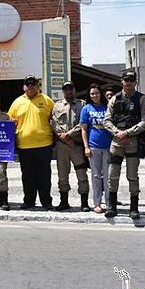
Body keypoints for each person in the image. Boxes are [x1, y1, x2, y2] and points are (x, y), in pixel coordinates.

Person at [103, 70, 145, 219]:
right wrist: (117, 132)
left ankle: (134, 207)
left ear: (135, 82)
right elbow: (107, 120)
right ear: (121, 81)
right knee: (112, 175)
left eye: (131, 80)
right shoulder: (115, 99)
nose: (129, 82)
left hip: (132, 141)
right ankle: (111, 206)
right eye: (126, 79)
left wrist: (128, 132)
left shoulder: (141, 99)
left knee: (132, 176)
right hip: (117, 141)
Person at [8, 75, 56, 210]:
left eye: (33, 84)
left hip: (44, 145)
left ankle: (46, 201)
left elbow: (55, 120)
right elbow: (9, 123)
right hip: (24, 146)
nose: (30, 86)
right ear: (24, 87)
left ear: (38, 86)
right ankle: (28, 201)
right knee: (27, 176)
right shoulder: (17, 102)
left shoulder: (47, 101)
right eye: (27, 84)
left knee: (44, 176)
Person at [52, 81, 90, 212]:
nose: (68, 92)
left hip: (77, 146)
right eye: (66, 89)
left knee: (82, 175)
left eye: (71, 89)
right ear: (63, 92)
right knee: (62, 175)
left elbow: (83, 124)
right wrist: (65, 138)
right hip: (63, 146)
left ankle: (84, 202)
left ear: (74, 90)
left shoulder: (82, 105)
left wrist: (69, 134)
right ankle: (64, 201)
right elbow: (54, 123)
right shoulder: (57, 106)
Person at [80, 84, 112, 213]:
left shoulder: (108, 108)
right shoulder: (86, 109)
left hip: (109, 147)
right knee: (96, 176)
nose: (95, 96)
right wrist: (86, 147)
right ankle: (97, 203)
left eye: (97, 93)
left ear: (101, 94)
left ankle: (110, 203)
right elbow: (83, 129)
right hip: (93, 147)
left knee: (108, 177)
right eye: (92, 94)